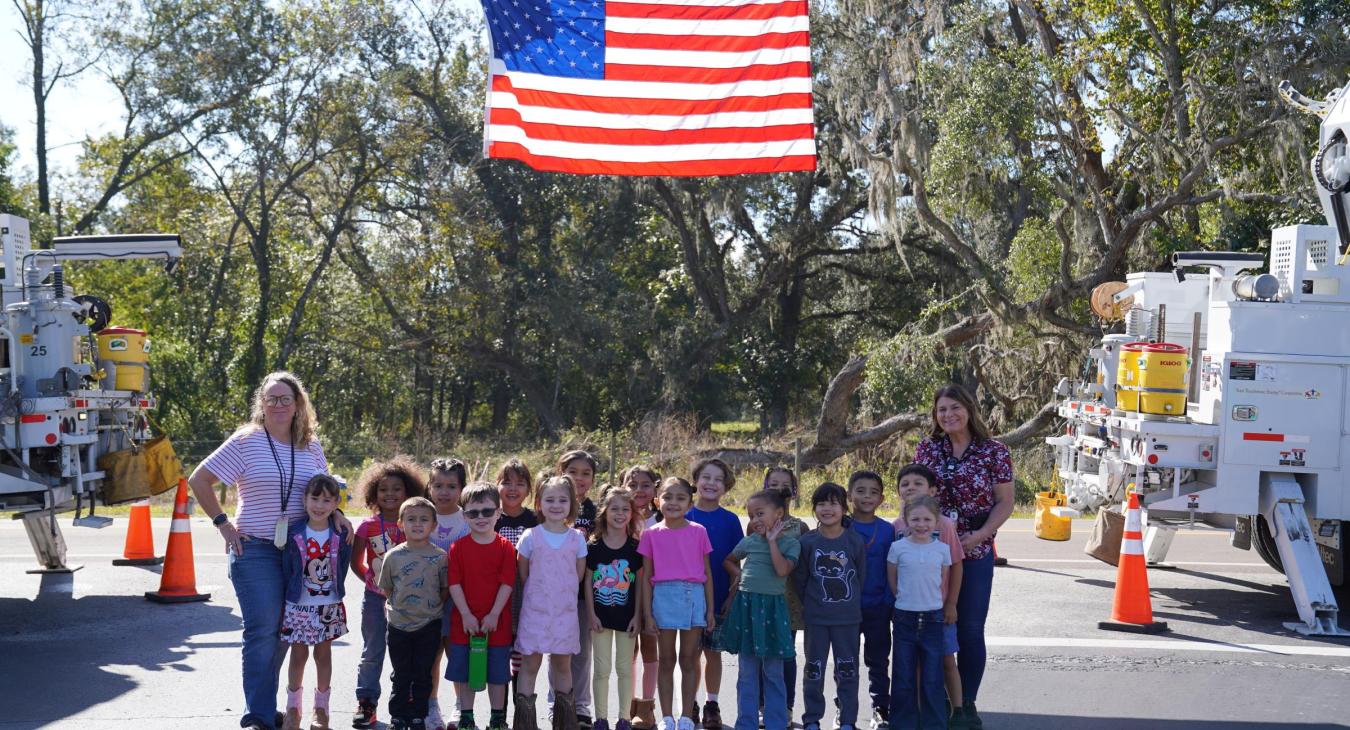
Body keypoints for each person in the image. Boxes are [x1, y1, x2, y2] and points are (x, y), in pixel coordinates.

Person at [189, 371, 346, 730]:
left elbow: (325, 490)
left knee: (284, 631)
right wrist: (223, 523)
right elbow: (199, 479)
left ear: (297, 404)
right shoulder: (246, 441)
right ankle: (258, 716)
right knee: (262, 630)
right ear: (261, 403)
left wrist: (337, 515)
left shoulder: (310, 446)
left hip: (299, 552)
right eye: (271, 398)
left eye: (285, 398)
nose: (277, 405)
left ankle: (264, 705)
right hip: (255, 549)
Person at [913, 384, 1013, 729]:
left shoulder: (994, 451)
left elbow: (1005, 502)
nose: (948, 415)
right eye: (942, 409)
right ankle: (939, 699)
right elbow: (915, 495)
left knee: (969, 628)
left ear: (969, 409)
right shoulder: (927, 448)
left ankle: (966, 703)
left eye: (955, 407)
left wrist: (980, 535)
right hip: (931, 549)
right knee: (933, 626)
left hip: (975, 547)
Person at [351, 457, 428, 728]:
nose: (390, 494)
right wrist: (373, 583)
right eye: (383, 489)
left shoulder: (415, 523)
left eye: (397, 489)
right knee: (372, 651)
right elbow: (356, 563)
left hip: (409, 602)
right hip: (375, 600)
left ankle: (405, 705)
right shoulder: (366, 526)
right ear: (374, 493)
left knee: (405, 654)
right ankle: (366, 704)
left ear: (408, 491)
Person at [718, 489, 800, 730]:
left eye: (760, 513)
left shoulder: (791, 543)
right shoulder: (750, 541)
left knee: (773, 672)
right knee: (747, 672)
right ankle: (746, 723)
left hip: (773, 611)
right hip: (747, 608)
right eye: (751, 515)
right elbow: (728, 560)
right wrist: (739, 574)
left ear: (779, 514)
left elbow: (782, 570)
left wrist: (772, 541)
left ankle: (776, 723)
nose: (754, 520)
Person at [638, 477, 714, 730]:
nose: (673, 503)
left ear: (690, 503)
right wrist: (648, 614)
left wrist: (710, 610)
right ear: (656, 501)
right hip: (663, 598)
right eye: (667, 497)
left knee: (689, 659)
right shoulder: (650, 534)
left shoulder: (699, 531)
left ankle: (687, 716)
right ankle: (667, 716)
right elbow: (647, 577)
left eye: (680, 498)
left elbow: (707, 573)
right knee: (666, 659)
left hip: (694, 597)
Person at [892, 465, 964, 728]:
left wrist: (951, 603)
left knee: (944, 660)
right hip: (907, 611)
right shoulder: (897, 526)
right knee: (910, 667)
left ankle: (959, 710)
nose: (911, 487)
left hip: (938, 610)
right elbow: (893, 572)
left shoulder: (944, 524)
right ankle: (916, 716)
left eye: (918, 483)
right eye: (905, 484)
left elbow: (955, 565)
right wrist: (899, 598)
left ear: (932, 490)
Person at [515, 476, 589, 730]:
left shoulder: (577, 539)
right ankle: (525, 724)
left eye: (562, 500)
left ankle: (564, 722)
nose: (556, 505)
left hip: (564, 615)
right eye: (550, 500)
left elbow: (578, 575)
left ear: (572, 503)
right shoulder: (530, 537)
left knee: (562, 667)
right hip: (535, 614)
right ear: (539, 503)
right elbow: (524, 574)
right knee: (530, 665)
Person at [279, 473, 352, 730]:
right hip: (299, 605)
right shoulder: (294, 532)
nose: (319, 506)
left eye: (327, 500)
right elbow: (287, 569)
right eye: (315, 498)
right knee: (298, 655)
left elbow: (342, 566)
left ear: (336, 504)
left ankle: (321, 711)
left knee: (323, 655)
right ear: (304, 499)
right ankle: (293, 709)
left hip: (328, 605)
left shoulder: (341, 533)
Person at [447, 482, 518, 730]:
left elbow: (507, 583)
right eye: (473, 512)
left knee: (497, 675)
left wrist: (494, 614)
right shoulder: (457, 548)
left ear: (498, 513)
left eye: (487, 511)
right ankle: (466, 716)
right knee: (466, 672)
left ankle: (497, 718)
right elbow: (454, 583)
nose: (481, 517)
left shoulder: (506, 547)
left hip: (496, 623)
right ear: (464, 516)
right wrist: (466, 614)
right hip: (464, 623)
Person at [795, 483, 865, 730]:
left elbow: (860, 578)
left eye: (833, 503)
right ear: (814, 509)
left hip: (847, 619)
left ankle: (847, 720)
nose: (827, 509)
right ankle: (812, 719)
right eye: (821, 504)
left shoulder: (854, 541)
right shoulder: (807, 542)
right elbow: (800, 579)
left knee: (848, 671)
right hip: (816, 619)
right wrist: (812, 604)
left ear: (844, 508)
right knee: (813, 670)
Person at [378, 496, 450, 730]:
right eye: (411, 519)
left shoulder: (440, 556)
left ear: (434, 525)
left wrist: (428, 609)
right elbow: (387, 588)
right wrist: (401, 608)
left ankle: (418, 714)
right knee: (401, 673)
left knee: (422, 673)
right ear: (401, 524)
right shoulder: (393, 556)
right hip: (398, 625)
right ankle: (398, 716)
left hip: (429, 625)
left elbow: (444, 589)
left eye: (424, 519)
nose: (417, 524)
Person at [684, 458, 743, 730]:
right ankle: (690, 702)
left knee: (713, 653)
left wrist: (731, 596)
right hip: (688, 599)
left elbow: (735, 563)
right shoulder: (684, 516)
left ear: (726, 486)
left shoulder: (730, 520)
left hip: (718, 596)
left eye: (718, 479)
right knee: (690, 654)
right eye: (706, 477)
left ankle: (712, 704)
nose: (711, 483)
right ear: (696, 481)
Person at [886, 496, 952, 730]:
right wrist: (905, 599)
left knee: (932, 677)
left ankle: (934, 724)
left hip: (933, 617)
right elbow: (893, 580)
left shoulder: (942, 549)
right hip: (905, 617)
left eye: (927, 519)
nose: (921, 524)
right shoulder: (897, 548)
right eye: (915, 519)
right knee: (903, 675)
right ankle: (902, 724)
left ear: (936, 522)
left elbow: (942, 580)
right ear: (906, 521)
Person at [586, 486, 646, 730]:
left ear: (632, 514)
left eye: (625, 509)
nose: (620, 514)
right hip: (599, 618)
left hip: (627, 618)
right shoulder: (593, 546)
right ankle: (600, 718)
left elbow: (640, 584)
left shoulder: (635, 547)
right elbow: (587, 582)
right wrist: (591, 614)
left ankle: (624, 718)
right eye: (615, 509)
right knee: (601, 669)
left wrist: (638, 616)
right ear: (604, 512)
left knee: (624, 669)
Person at [846, 471, 896, 730]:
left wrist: (889, 602)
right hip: (847, 608)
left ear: (882, 499)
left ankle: (880, 708)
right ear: (849, 495)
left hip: (878, 607)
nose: (867, 497)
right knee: (847, 661)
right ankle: (845, 710)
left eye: (873, 492)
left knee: (878, 660)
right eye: (861, 491)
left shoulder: (888, 530)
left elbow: (893, 569)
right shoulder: (841, 526)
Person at [761, 467, 807, 720]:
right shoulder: (756, 523)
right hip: (762, 598)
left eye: (785, 485)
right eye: (774, 484)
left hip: (789, 600)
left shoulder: (801, 527)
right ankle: (762, 706)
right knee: (762, 652)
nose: (779, 489)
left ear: (794, 491)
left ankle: (786, 707)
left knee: (786, 653)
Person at [560, 451, 601, 730]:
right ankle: (559, 703)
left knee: (582, 652)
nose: (579, 478)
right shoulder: (552, 503)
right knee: (558, 651)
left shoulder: (596, 511)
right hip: (555, 591)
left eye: (586, 473)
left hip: (584, 592)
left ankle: (582, 706)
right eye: (572, 471)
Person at [619, 465, 662, 730]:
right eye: (632, 485)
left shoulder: (662, 518)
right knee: (628, 651)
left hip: (654, 592)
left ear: (656, 488)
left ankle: (646, 707)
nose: (639, 490)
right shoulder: (620, 516)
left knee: (649, 647)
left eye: (645, 485)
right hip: (624, 591)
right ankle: (627, 706)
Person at [429, 458, 471, 730]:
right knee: (432, 655)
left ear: (462, 488)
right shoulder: (421, 514)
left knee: (457, 653)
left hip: (460, 600)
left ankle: (461, 706)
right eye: (438, 485)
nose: (444, 492)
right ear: (429, 487)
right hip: (428, 600)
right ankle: (431, 706)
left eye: (451, 486)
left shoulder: (469, 518)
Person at [495, 457, 538, 716]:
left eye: (520, 483)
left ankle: (521, 711)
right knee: (500, 653)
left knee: (521, 652)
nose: (513, 489)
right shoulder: (490, 517)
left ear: (529, 489)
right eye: (506, 482)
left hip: (526, 592)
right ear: (497, 485)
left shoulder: (535, 520)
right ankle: (498, 713)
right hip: (497, 594)